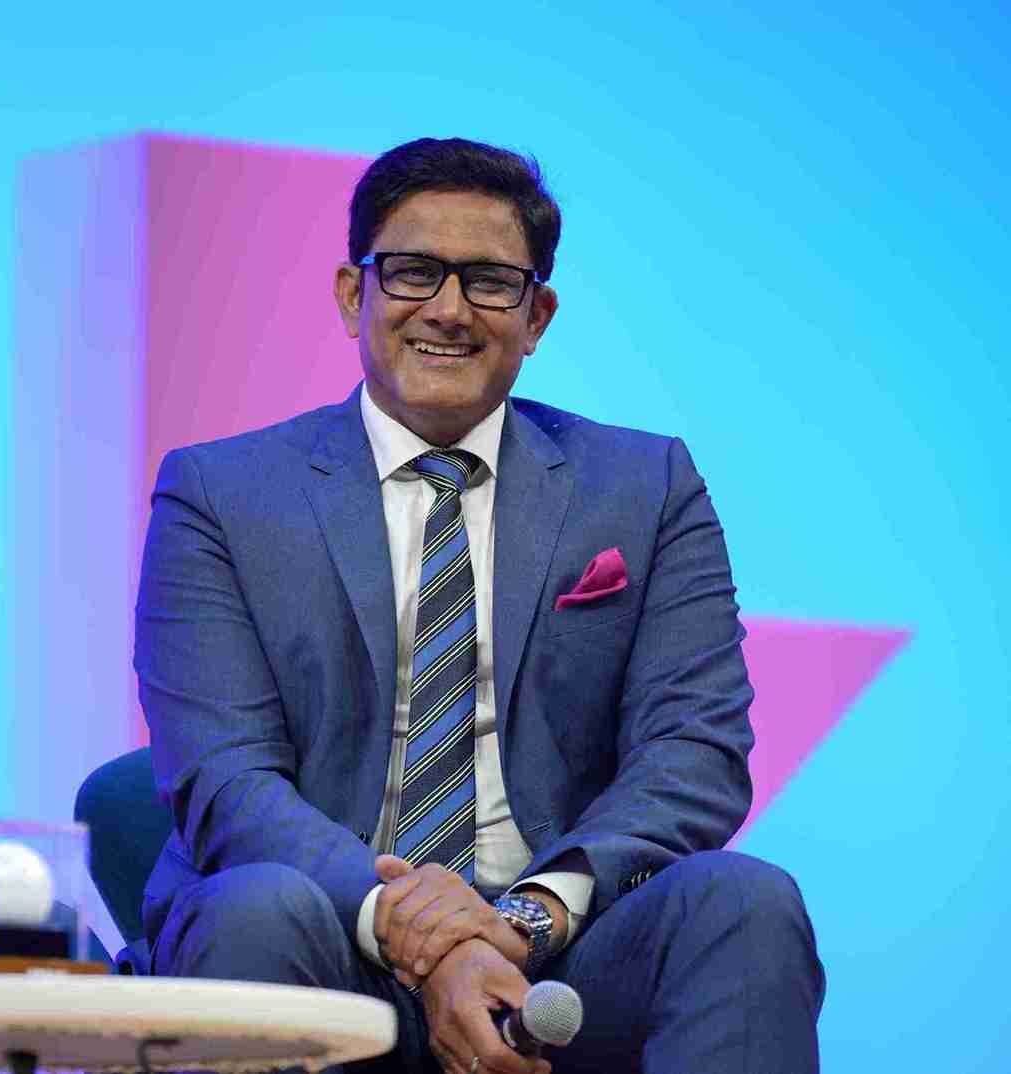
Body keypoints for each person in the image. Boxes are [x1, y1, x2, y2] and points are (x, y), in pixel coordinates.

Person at [132, 137, 825, 1074]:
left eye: (490, 282)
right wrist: (420, 929)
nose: (449, 310)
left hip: (561, 953)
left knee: (744, 901)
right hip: (325, 929)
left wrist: (525, 919)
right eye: (414, 272)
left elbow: (693, 752)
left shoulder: (645, 488)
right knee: (254, 907)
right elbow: (224, 779)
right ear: (353, 295)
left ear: (537, 317)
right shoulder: (221, 493)